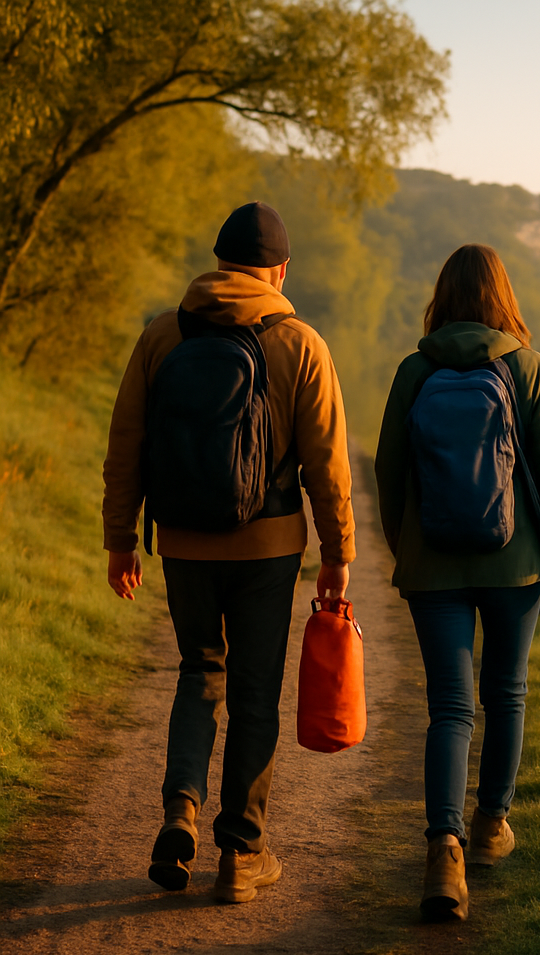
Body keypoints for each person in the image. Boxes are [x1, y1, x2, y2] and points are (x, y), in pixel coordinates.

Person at [102, 202, 355, 903]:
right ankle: (242, 853)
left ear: (218, 261)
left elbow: (126, 448)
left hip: (183, 540)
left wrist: (120, 539)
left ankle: (180, 811)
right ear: (280, 269)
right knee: (253, 693)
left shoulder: (162, 335)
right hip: (269, 548)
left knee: (197, 674)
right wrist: (338, 553)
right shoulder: (300, 342)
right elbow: (327, 464)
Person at [374, 243, 540, 921]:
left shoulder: (414, 370)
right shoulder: (527, 368)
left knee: (449, 707)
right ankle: (493, 824)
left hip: (433, 564)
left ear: (442, 297)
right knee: (506, 694)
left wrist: (405, 547)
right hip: (515, 562)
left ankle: (444, 850)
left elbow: (387, 472)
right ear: (504, 298)